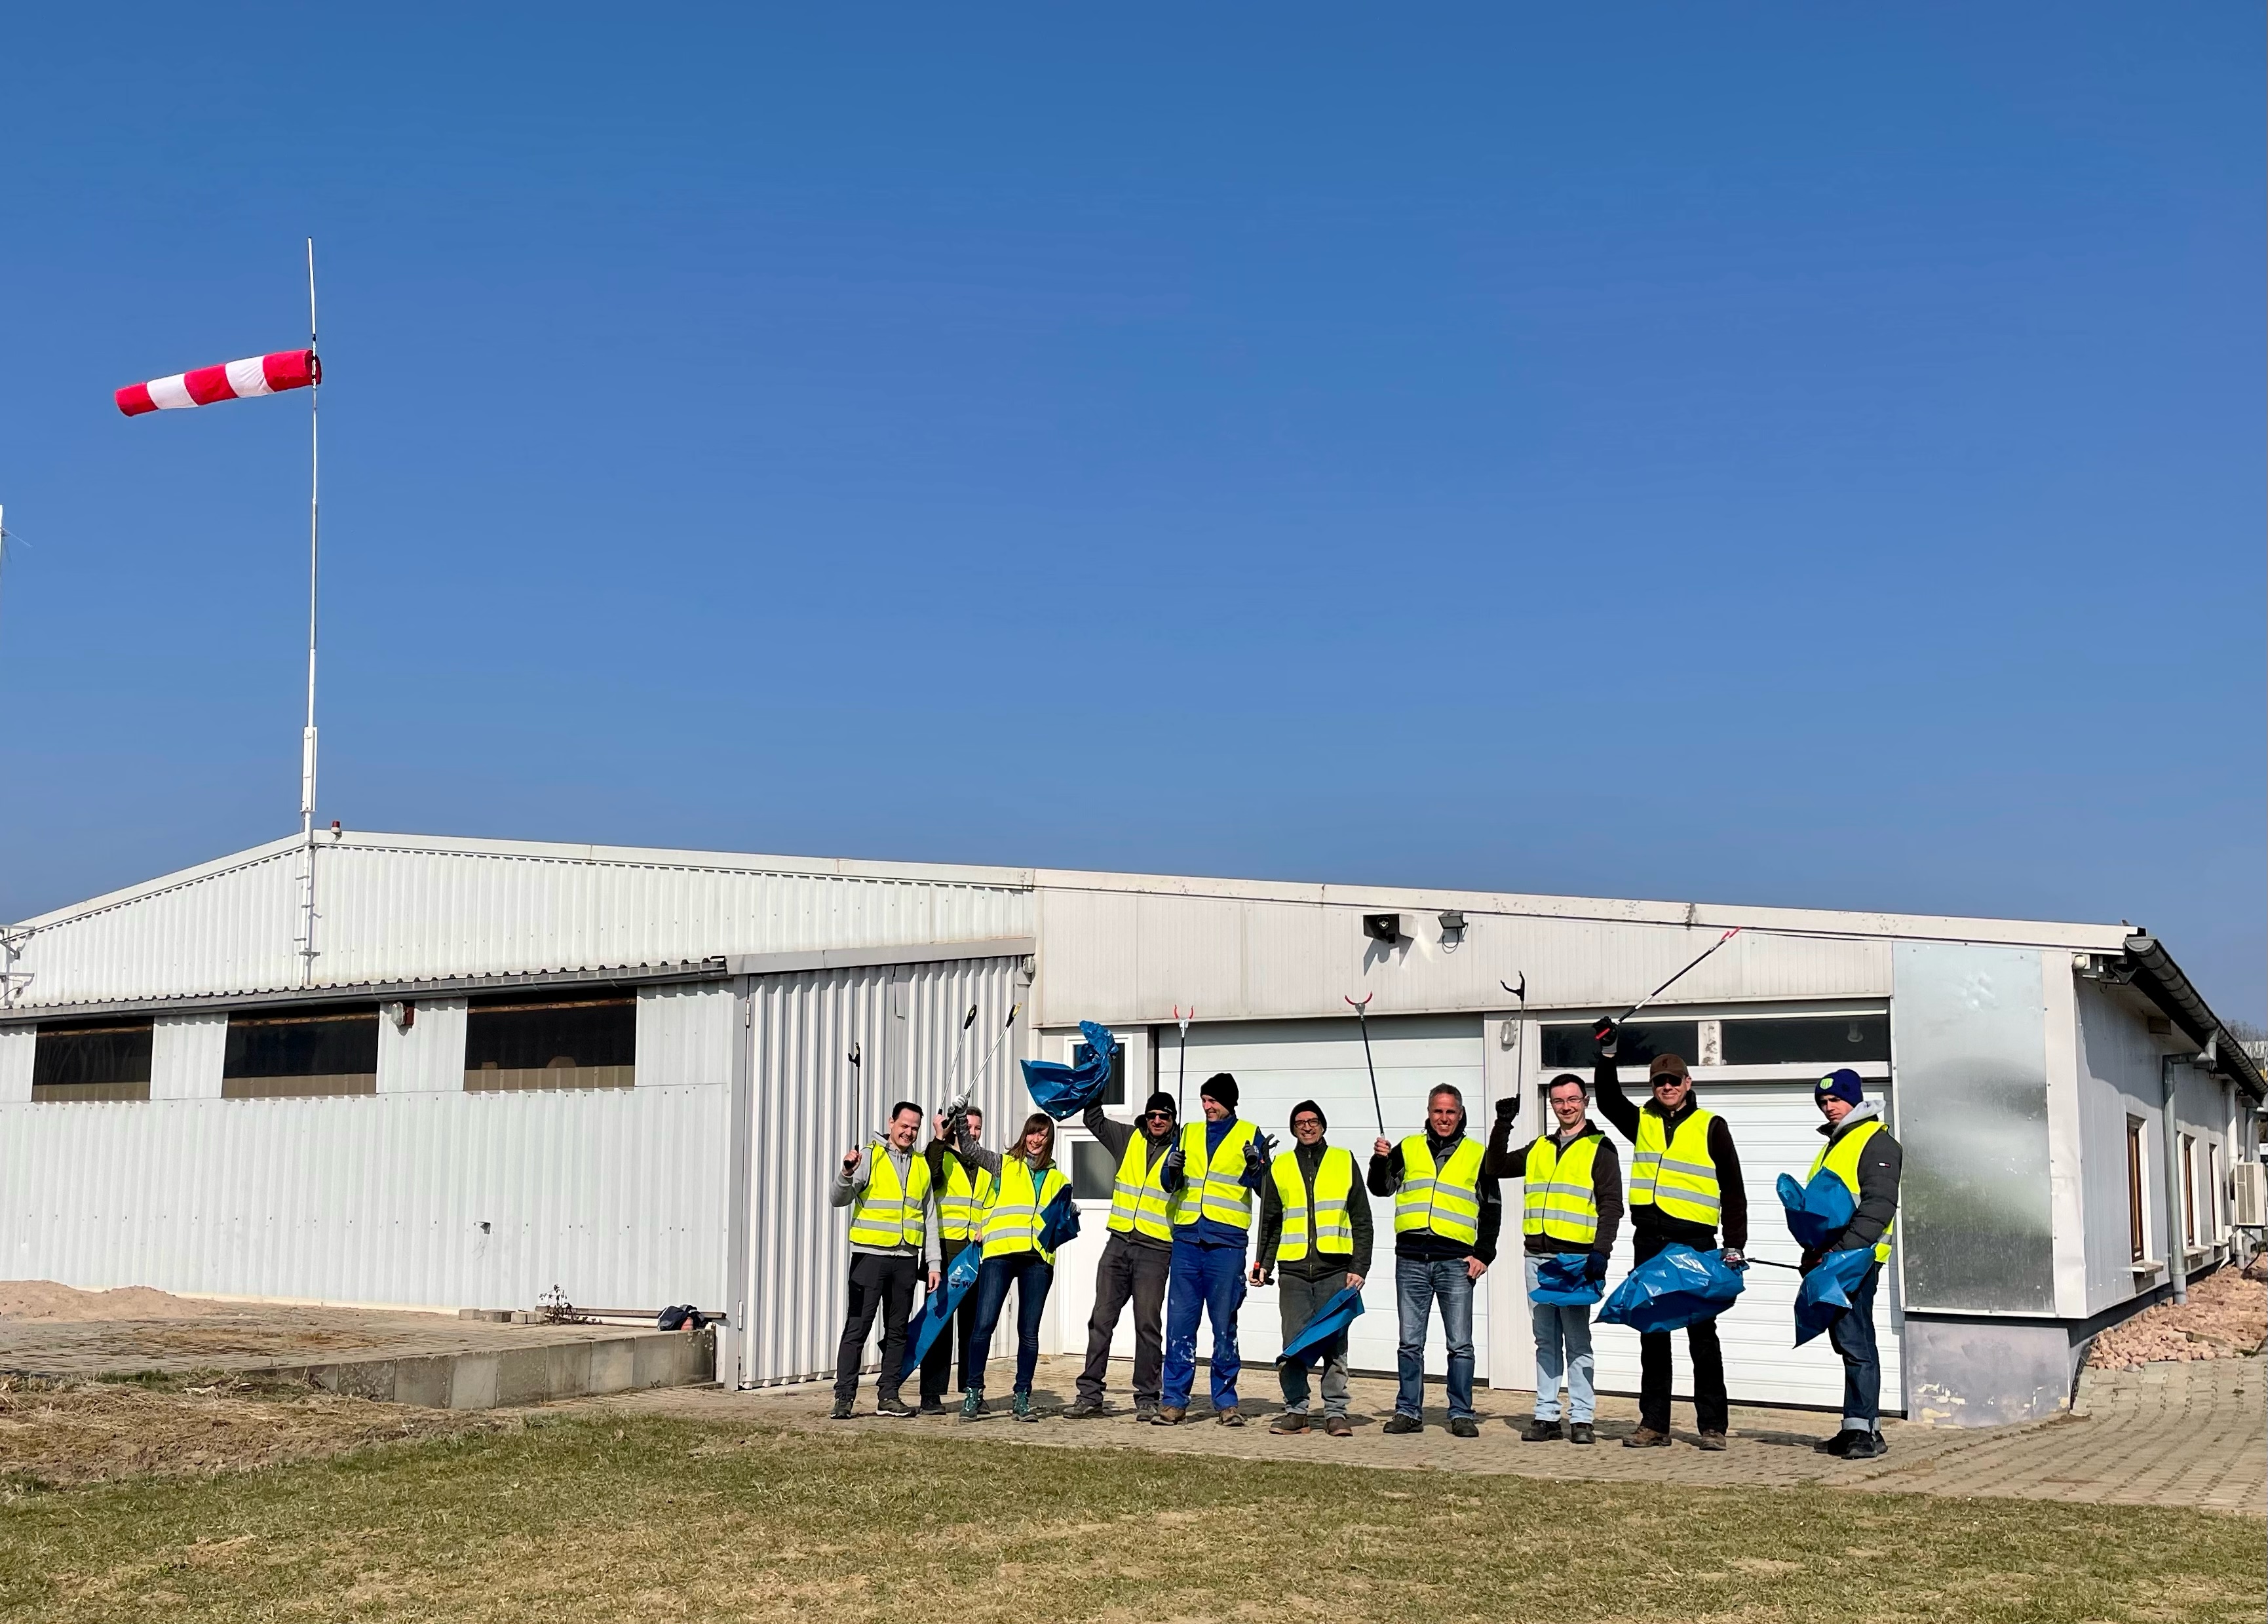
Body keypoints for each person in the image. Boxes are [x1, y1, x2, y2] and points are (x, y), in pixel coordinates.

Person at [1592, 1027, 1747, 1450]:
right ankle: (1654, 1425)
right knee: (1653, 1334)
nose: (1667, 1087)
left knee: (1702, 1334)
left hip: (1695, 1243)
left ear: (1687, 1083)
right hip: (1650, 1242)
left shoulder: (1711, 1126)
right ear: (1653, 1086)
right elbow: (1607, 1100)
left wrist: (1734, 1244)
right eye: (1659, 1082)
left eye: (1673, 1081)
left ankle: (1712, 1427)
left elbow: (1733, 1190)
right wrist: (1607, 1052)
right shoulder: (1641, 1122)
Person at [1486, 1073, 1623, 1444]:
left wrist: (1601, 1252)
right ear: (1552, 1106)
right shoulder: (1540, 1147)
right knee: (1545, 1341)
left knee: (1577, 1342)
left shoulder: (1601, 1148)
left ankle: (1582, 1418)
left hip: (1576, 1261)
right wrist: (1503, 1124)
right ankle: (1546, 1416)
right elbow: (1495, 1167)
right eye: (1559, 1101)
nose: (1566, 1107)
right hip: (1537, 1258)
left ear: (1585, 1102)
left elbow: (1612, 1206)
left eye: (1573, 1099)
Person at [1369, 1083, 1501, 1437]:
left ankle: (1461, 1413)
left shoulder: (1478, 1154)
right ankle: (1408, 1411)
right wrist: (1379, 1160)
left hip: (1456, 1262)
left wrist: (1484, 1254)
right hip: (1411, 1259)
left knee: (1460, 1345)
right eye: (1438, 1111)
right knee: (1410, 1343)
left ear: (1461, 1115)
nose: (1444, 1118)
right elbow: (1381, 1188)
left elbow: (1492, 1208)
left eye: (1450, 1112)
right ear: (1428, 1113)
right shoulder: (1407, 1148)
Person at [1252, 1099, 1372, 1437]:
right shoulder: (1281, 1165)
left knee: (1335, 1345)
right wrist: (1263, 1264)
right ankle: (1296, 1411)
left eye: (1313, 1121)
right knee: (1294, 1345)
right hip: (1293, 1272)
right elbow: (1271, 1222)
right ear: (1293, 1128)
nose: (1307, 1127)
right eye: (1300, 1122)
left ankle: (1336, 1413)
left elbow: (1362, 1219)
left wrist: (1360, 1266)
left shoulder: (1344, 1160)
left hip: (1335, 1270)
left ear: (1323, 1125)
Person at [1156, 1073, 1269, 1425]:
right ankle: (1174, 1401)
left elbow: (1266, 1189)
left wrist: (1257, 1167)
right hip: (1188, 1241)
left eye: (1214, 1101)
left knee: (1224, 1326)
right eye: (1204, 1100)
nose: (1207, 1106)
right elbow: (1169, 1183)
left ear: (1229, 1102)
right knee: (1179, 1325)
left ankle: (1226, 1402)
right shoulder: (1188, 1132)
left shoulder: (1249, 1134)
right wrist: (1171, 1170)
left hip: (1226, 1244)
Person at [1062, 1090, 1179, 1421]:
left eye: (1165, 1116)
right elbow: (1093, 1119)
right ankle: (1089, 1395)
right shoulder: (1128, 1138)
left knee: (1147, 1325)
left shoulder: (1184, 1148)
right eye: (1153, 1115)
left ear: (1173, 1120)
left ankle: (1148, 1398)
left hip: (1156, 1249)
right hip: (1118, 1244)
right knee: (1101, 1320)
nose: (1158, 1121)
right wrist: (1096, 1084)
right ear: (1145, 1117)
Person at [1805, 1067, 1902, 1460]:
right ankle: (1858, 1428)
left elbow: (1879, 1206)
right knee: (1848, 1342)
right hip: (1836, 1260)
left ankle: (1864, 1431)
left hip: (1857, 1259)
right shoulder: (1836, 1142)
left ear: (1856, 1099)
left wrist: (1843, 1250)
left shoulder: (1876, 1142)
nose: (1829, 1107)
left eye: (1837, 1100)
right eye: (1824, 1102)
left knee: (1856, 1342)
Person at [952, 1110, 1073, 1421]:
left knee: (1029, 1332)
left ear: (1050, 1140)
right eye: (1032, 1132)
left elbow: (1062, 1225)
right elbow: (970, 1149)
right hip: (1001, 1254)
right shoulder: (1004, 1165)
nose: (1036, 1139)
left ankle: (1022, 1397)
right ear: (1025, 1134)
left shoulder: (1060, 1180)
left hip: (1038, 1260)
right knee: (983, 1325)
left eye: (1043, 1134)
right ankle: (973, 1393)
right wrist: (960, 1117)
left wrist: (1071, 1214)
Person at [829, 1100, 942, 1420]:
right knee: (857, 1327)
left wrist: (933, 1264)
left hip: (906, 1259)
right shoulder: (869, 1157)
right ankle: (844, 1397)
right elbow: (838, 1199)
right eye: (904, 1126)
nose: (909, 1132)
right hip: (869, 1259)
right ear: (891, 1123)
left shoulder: (920, 1165)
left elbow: (930, 1217)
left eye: (915, 1128)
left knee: (897, 1331)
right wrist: (846, 1173)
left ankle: (889, 1396)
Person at [917, 1106, 990, 1416]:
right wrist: (939, 1138)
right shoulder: (940, 1156)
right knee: (939, 1326)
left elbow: (995, 1202)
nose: (972, 1133)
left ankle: (973, 1391)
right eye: (967, 1127)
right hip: (946, 1253)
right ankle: (931, 1395)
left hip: (977, 1254)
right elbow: (929, 1176)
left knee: (975, 1328)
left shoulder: (986, 1163)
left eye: (977, 1128)